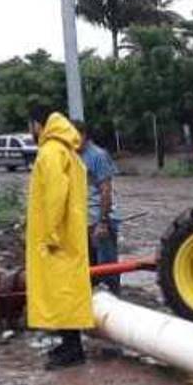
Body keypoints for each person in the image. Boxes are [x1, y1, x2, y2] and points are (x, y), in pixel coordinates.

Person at [26, 105, 94, 370]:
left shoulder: (51, 152)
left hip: (58, 237)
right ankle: (69, 344)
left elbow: (56, 194)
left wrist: (51, 233)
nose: (30, 131)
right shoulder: (67, 150)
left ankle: (72, 348)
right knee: (67, 291)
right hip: (69, 234)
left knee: (60, 292)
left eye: (31, 125)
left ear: (38, 125)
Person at [73, 120, 121, 293]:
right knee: (89, 270)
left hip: (100, 221)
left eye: (73, 136)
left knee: (108, 270)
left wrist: (103, 222)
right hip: (84, 221)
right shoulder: (74, 156)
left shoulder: (98, 156)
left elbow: (106, 191)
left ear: (83, 135)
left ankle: (115, 306)